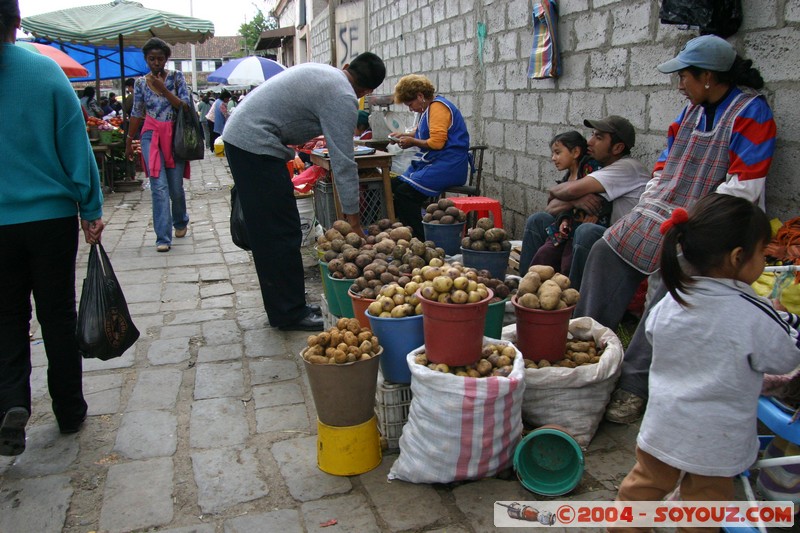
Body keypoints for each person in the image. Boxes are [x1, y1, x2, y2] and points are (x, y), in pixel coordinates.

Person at [575, 35, 778, 425]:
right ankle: (586, 351)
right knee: (606, 247)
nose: (680, 84)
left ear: (708, 77)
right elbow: (664, 166)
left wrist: (692, 218)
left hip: (718, 219)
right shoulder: (689, 113)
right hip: (665, 206)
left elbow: (745, 187)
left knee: (671, 273)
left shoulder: (751, 113)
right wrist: (649, 203)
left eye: (685, 76)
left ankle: (635, 383)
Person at [609, 194, 800, 525]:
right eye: (761, 252)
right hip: (717, 443)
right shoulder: (753, 313)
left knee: (641, 490)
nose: (764, 259)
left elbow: (653, 334)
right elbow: (785, 359)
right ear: (738, 257)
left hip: (663, 429)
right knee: (703, 510)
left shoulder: (671, 300)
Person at [0, 0, 105, 456]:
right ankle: (69, 408)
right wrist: (90, 206)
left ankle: (11, 402)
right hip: (50, 220)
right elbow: (75, 146)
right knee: (57, 314)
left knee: (6, 318)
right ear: (16, 22)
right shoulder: (46, 73)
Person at [223, 52, 386, 332]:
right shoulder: (343, 95)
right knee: (279, 232)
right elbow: (344, 162)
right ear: (367, 92)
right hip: (254, 144)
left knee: (277, 229)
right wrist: (354, 222)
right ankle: (289, 313)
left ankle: (288, 305)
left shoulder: (328, 74)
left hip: (245, 138)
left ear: (347, 67)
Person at [519, 116, 649, 289]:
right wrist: (576, 201)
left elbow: (567, 191)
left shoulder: (627, 167)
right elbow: (551, 207)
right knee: (538, 220)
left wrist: (564, 194)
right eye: (592, 134)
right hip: (596, 235)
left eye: (599, 137)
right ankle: (524, 286)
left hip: (621, 248)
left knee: (586, 231)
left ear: (617, 147)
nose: (590, 142)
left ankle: (572, 295)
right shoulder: (594, 169)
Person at [124, 37, 191, 253]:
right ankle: (163, 236)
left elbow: (185, 106)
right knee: (158, 187)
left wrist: (164, 90)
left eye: (160, 59)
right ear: (146, 59)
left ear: (166, 59)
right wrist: (129, 140)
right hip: (150, 135)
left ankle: (180, 220)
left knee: (175, 188)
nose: (156, 63)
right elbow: (136, 112)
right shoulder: (140, 83)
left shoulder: (177, 78)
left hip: (174, 136)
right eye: (152, 59)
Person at [390, 74, 470, 240]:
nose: (411, 109)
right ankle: (403, 231)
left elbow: (437, 143)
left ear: (420, 96)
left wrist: (412, 142)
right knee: (391, 185)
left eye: (410, 104)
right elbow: (425, 132)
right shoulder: (430, 109)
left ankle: (421, 239)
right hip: (437, 163)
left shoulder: (438, 108)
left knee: (405, 194)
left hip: (449, 166)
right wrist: (404, 135)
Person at [527, 131, 604, 277]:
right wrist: (564, 219)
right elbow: (556, 205)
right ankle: (527, 281)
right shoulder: (567, 178)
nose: (553, 158)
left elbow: (604, 196)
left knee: (567, 265)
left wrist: (596, 213)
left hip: (583, 230)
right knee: (544, 254)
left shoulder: (591, 169)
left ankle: (565, 288)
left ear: (575, 152)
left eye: (557, 153)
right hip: (566, 229)